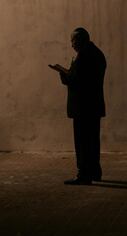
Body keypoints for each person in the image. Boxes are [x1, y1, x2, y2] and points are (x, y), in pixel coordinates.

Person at [49, 27, 106, 185]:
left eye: (73, 40)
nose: (72, 44)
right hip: (93, 106)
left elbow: (77, 81)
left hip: (83, 107)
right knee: (93, 141)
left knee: (82, 142)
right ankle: (95, 171)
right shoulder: (96, 53)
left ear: (82, 39)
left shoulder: (84, 56)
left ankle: (84, 174)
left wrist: (63, 74)